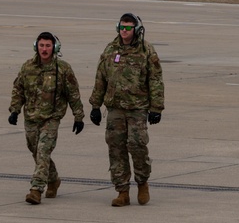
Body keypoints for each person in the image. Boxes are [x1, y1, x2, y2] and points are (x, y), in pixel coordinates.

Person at [88, 13, 165, 207]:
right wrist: (95, 106)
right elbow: (101, 78)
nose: (124, 31)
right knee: (116, 149)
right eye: (122, 27)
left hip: (137, 108)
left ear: (136, 29)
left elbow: (155, 80)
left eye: (129, 28)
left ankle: (142, 182)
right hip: (115, 108)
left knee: (137, 146)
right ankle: (122, 190)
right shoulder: (110, 49)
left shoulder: (147, 51)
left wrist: (156, 108)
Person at [9, 32, 85, 205]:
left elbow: (73, 94)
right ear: (36, 46)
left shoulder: (63, 69)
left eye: (48, 46)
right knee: (35, 150)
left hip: (52, 117)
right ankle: (53, 179)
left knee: (43, 151)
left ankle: (36, 189)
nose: (44, 49)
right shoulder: (28, 67)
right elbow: (18, 89)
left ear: (55, 48)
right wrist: (15, 110)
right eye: (41, 45)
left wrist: (78, 116)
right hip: (31, 117)